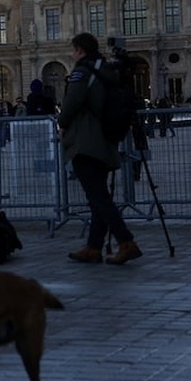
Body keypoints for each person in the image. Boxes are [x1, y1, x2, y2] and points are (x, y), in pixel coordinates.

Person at [58, 32, 142, 265]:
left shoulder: (82, 72)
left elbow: (71, 103)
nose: (73, 54)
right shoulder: (107, 70)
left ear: (79, 50)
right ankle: (94, 247)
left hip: (85, 141)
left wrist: (62, 123)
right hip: (106, 139)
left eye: (74, 50)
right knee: (98, 197)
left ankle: (126, 242)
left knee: (98, 197)